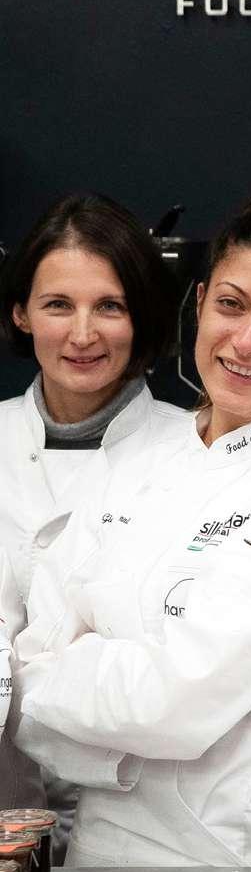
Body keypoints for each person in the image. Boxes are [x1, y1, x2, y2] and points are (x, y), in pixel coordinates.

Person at [13, 182, 251, 867]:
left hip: (234, 863)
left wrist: (79, 672)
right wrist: (104, 698)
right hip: (98, 852)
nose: (247, 341)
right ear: (199, 303)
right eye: (231, 305)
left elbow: (178, 703)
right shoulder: (137, 452)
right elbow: (31, 667)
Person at [0, 193, 185, 813]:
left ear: (142, 316)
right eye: (58, 304)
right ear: (21, 313)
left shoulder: (195, 453)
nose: (83, 334)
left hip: (140, 811)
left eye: (110, 306)